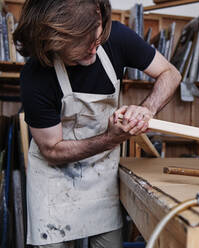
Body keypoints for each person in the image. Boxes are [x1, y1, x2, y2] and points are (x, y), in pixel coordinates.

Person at [13, 0, 181, 247]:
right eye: (84, 44)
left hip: (103, 178)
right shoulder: (35, 76)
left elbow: (171, 74)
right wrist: (111, 138)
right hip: (54, 182)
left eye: (97, 38)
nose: (95, 49)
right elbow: (52, 150)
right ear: (54, 42)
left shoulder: (115, 37)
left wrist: (146, 109)